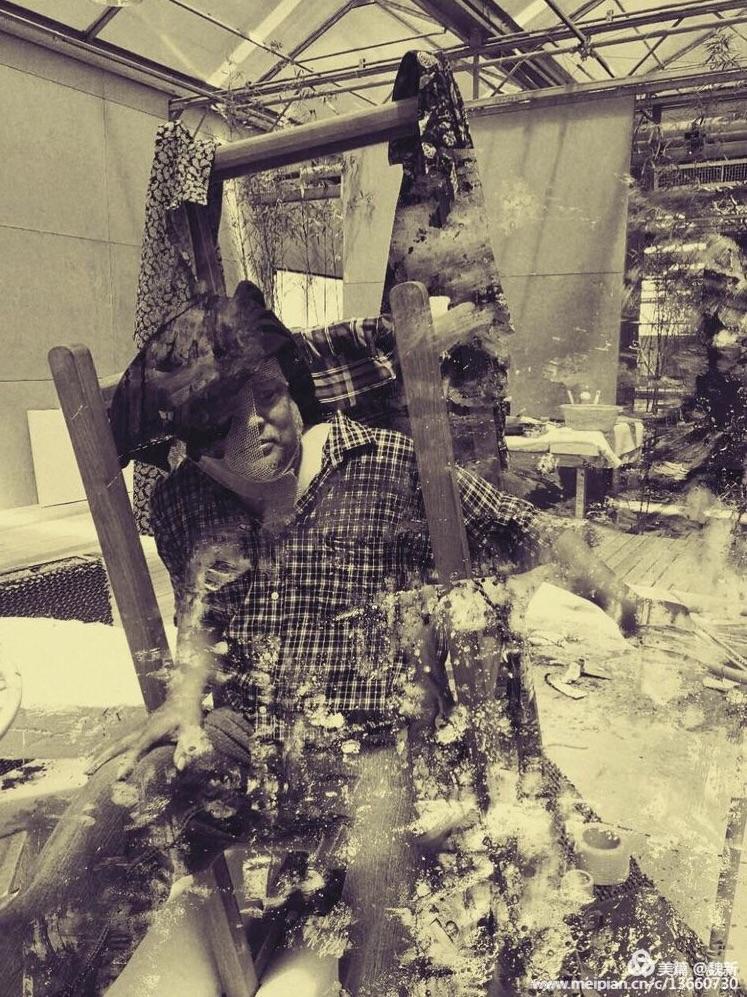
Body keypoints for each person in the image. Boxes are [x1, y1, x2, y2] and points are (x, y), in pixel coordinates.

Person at [0, 283, 637, 996]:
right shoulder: (185, 502)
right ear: (194, 445)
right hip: (245, 736)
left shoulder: (382, 463)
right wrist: (183, 699)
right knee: (110, 810)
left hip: (373, 746)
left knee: (387, 891)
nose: (262, 422)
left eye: (271, 395)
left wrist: (616, 594)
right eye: (231, 420)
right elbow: (203, 613)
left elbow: (526, 525)